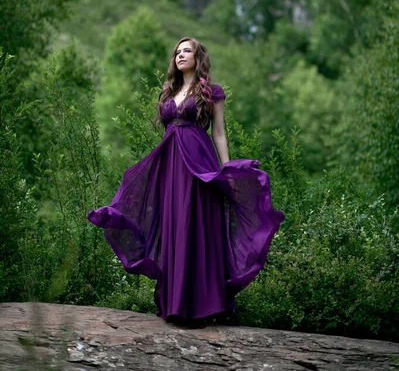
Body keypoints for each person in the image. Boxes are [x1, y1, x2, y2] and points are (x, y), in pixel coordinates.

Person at [88, 36, 285, 326]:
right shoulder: (170, 92)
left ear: (198, 57)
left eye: (187, 51)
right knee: (174, 227)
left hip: (199, 163)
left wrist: (226, 169)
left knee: (195, 225)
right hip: (171, 166)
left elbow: (218, 133)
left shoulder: (211, 92)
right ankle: (176, 304)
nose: (180, 55)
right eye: (177, 52)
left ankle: (203, 305)